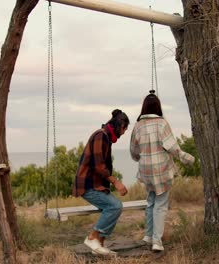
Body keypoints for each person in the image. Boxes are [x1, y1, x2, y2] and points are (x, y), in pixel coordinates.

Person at [130, 91, 195, 252]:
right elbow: (172, 147)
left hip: (146, 171)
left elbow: (134, 151)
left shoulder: (138, 125)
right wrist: (186, 158)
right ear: (158, 107)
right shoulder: (162, 123)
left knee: (151, 201)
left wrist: (141, 157)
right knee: (160, 204)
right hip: (161, 171)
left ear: (144, 107)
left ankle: (148, 235)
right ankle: (157, 241)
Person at [73, 109, 130, 256]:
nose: (124, 133)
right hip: (87, 185)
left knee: (114, 206)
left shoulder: (106, 137)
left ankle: (99, 245)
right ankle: (92, 237)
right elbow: (99, 166)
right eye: (124, 129)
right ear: (120, 125)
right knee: (115, 206)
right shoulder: (100, 136)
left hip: (95, 185)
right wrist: (116, 182)